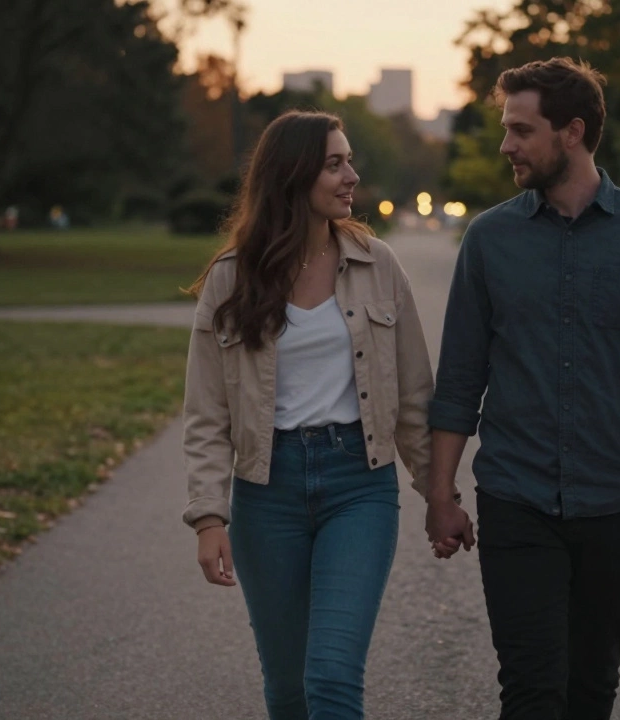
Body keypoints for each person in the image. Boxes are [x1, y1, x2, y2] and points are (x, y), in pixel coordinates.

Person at [424, 57, 620, 719]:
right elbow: (460, 382)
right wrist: (440, 494)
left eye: (522, 130)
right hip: (515, 498)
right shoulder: (490, 240)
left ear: (573, 132)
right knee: (531, 692)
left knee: (590, 689)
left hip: (616, 502)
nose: (506, 146)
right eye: (506, 129)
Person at [180, 110, 449, 720]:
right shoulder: (231, 280)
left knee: (330, 677)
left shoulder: (378, 265)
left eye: (350, 160)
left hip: (359, 485)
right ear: (293, 174)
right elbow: (205, 415)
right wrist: (207, 518)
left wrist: (437, 495)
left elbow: (413, 397)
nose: (352, 175)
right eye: (335, 163)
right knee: (289, 690)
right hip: (265, 493)